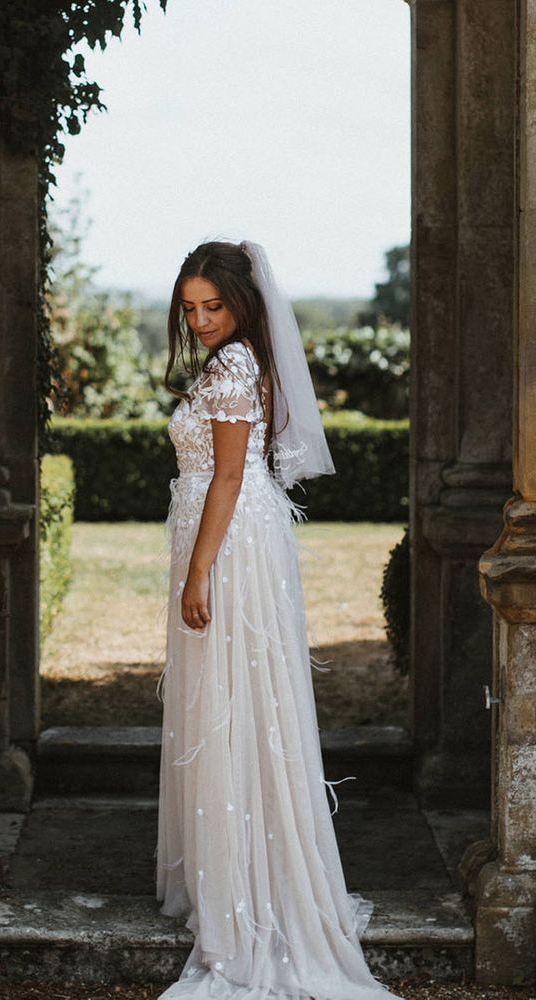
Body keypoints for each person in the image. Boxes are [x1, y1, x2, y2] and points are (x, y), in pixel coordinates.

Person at [154, 240, 401, 999]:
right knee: (235, 702)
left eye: (212, 306)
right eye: (190, 308)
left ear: (242, 303)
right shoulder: (234, 360)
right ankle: (237, 873)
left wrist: (199, 570)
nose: (199, 320)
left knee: (232, 701)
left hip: (227, 543)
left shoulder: (232, 367)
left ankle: (251, 893)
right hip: (232, 532)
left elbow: (228, 474)